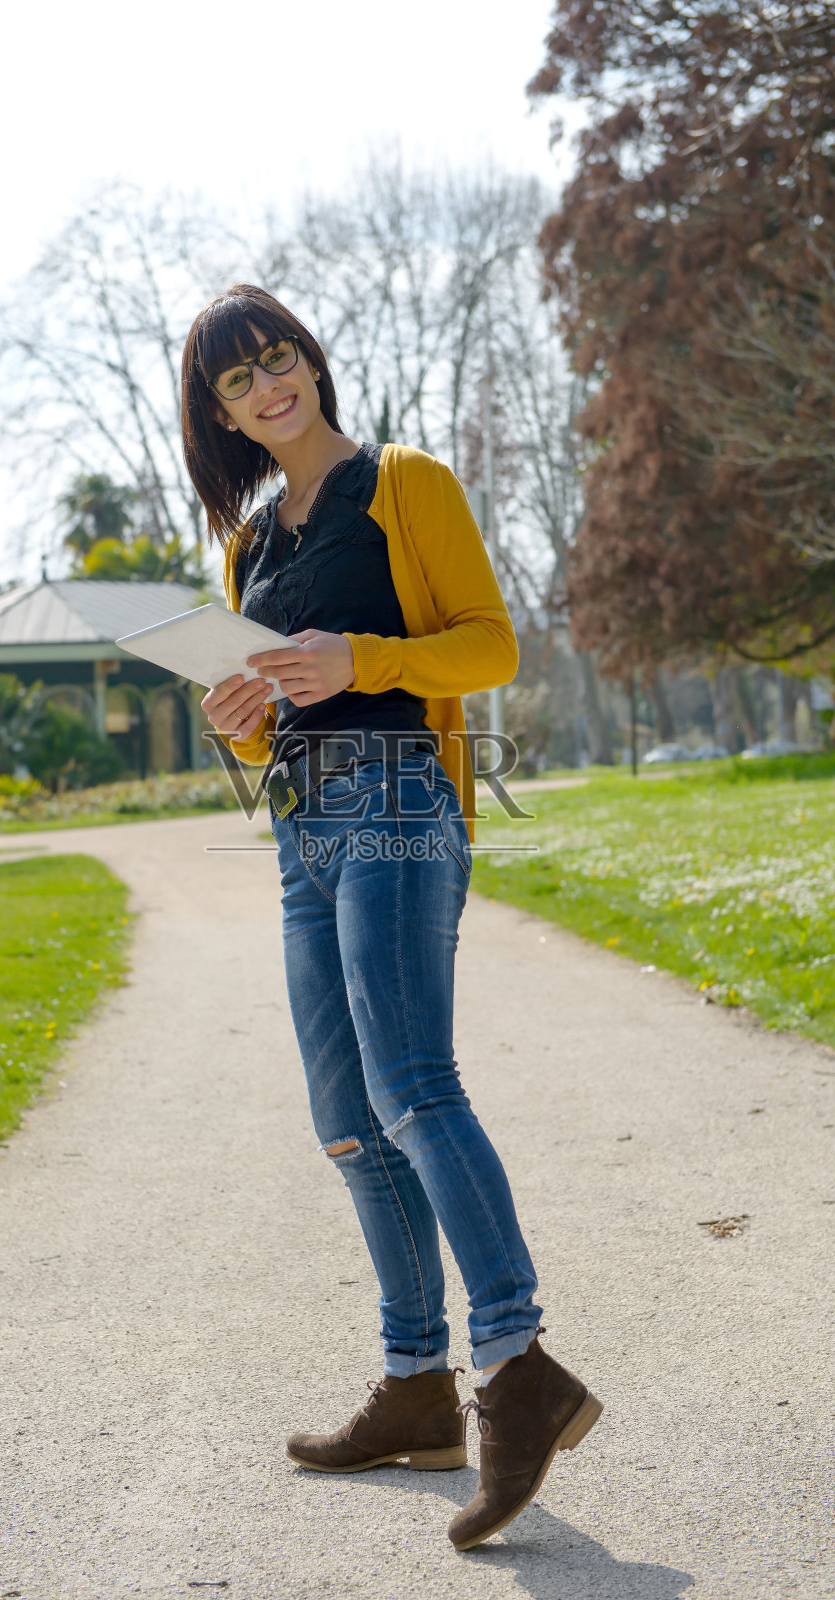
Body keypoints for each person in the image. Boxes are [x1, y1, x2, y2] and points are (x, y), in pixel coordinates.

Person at [180, 283, 601, 1550]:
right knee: (348, 1121)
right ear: (221, 414)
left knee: (415, 1084)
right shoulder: (247, 544)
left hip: (403, 799)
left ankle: (519, 1365)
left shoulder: (404, 482)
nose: (269, 384)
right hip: (306, 820)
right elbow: (272, 696)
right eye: (239, 379)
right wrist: (243, 716)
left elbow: (491, 648)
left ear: (310, 359)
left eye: (279, 357)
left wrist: (368, 660)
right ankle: (416, 1384)